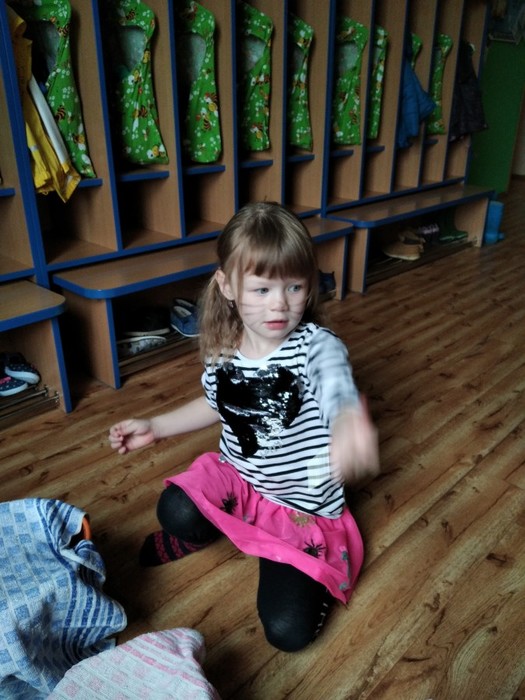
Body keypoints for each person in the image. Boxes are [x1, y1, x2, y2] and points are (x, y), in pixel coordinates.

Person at [109, 202, 380, 652]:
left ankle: (301, 570)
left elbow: (338, 389)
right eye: (262, 289)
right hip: (241, 481)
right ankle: (214, 531)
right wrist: (156, 426)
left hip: (300, 508)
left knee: (288, 632)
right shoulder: (223, 348)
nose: (280, 303)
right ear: (228, 286)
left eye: (294, 286)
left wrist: (349, 424)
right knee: (175, 511)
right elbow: (215, 403)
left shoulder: (317, 347)